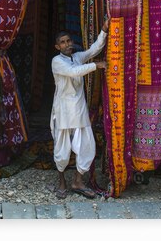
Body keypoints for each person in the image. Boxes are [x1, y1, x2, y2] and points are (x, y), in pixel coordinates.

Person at [50, 18, 109, 199]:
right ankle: (61, 182)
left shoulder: (77, 57)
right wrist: (96, 65)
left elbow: (94, 49)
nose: (67, 44)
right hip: (63, 112)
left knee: (87, 147)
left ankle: (77, 181)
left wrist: (104, 30)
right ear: (57, 47)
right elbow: (73, 72)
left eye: (69, 41)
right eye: (63, 42)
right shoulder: (57, 61)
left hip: (79, 111)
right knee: (61, 151)